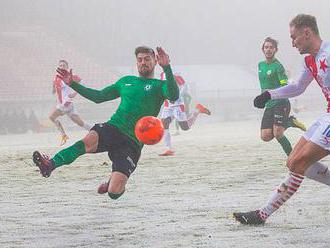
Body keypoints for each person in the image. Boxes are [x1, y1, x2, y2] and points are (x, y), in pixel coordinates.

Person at [32, 46, 179, 200]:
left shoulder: (160, 86)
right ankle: (50, 164)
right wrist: (73, 84)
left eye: (147, 59)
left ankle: (111, 183)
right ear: (136, 63)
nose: (143, 62)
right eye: (140, 60)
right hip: (114, 128)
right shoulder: (126, 81)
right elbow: (99, 96)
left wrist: (167, 68)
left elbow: (174, 95)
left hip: (133, 143)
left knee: (114, 193)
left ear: (155, 61)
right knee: (87, 141)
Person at [234, 14, 330, 225]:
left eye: (294, 37)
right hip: (327, 115)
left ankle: (262, 214)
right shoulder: (310, 59)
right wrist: (269, 94)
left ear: (307, 32)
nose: (292, 43)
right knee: (292, 161)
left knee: (298, 163)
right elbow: (297, 87)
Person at [257, 37, 306, 157]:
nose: (268, 50)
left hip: (281, 102)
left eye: (271, 47)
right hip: (269, 104)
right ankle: (289, 122)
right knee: (265, 136)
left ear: (275, 50)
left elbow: (284, 85)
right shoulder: (260, 65)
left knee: (278, 133)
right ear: (263, 49)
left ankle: (292, 159)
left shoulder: (278, 66)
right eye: (266, 47)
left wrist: (273, 92)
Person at [159, 72, 210, 156]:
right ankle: (168, 149)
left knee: (185, 127)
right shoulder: (161, 75)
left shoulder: (175, 75)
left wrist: (177, 96)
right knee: (164, 124)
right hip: (167, 105)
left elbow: (185, 86)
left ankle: (197, 110)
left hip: (177, 104)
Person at [50, 60, 92, 146]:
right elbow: (54, 90)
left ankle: (63, 135)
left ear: (67, 67)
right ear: (58, 67)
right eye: (60, 65)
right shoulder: (56, 77)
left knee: (51, 117)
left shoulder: (70, 76)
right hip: (66, 104)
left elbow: (82, 83)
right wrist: (53, 87)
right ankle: (94, 129)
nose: (62, 66)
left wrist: (75, 93)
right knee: (80, 123)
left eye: (64, 65)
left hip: (66, 103)